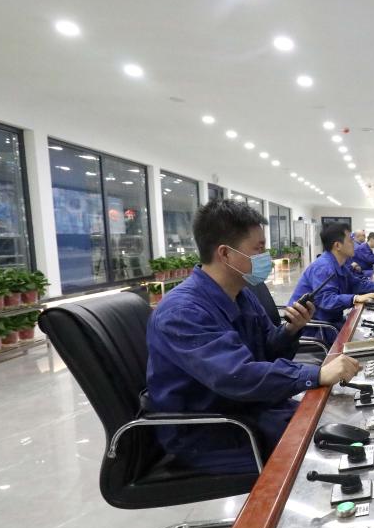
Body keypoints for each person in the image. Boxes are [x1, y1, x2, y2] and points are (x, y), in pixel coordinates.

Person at [146, 199, 361, 474]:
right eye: (258, 249)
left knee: (341, 423)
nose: (265, 257)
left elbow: (266, 350)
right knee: (329, 453)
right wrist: (316, 374)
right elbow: (238, 376)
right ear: (226, 254)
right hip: (212, 430)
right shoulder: (182, 312)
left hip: (251, 408)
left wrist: (290, 330)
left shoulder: (242, 293)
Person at [289, 223, 374, 343]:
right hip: (315, 329)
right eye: (350, 240)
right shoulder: (323, 267)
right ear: (338, 245)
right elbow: (327, 300)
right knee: (372, 339)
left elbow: (356, 284)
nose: (353, 243)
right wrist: (355, 298)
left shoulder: (339, 265)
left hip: (332, 323)